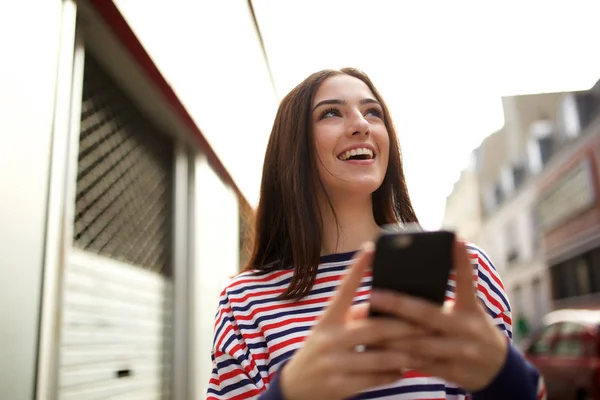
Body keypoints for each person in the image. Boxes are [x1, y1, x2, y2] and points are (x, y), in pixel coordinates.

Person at [207, 68, 546, 400]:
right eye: (331, 113)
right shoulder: (244, 303)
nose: (361, 125)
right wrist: (288, 394)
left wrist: (506, 376)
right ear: (293, 147)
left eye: (373, 112)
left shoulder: (467, 269)